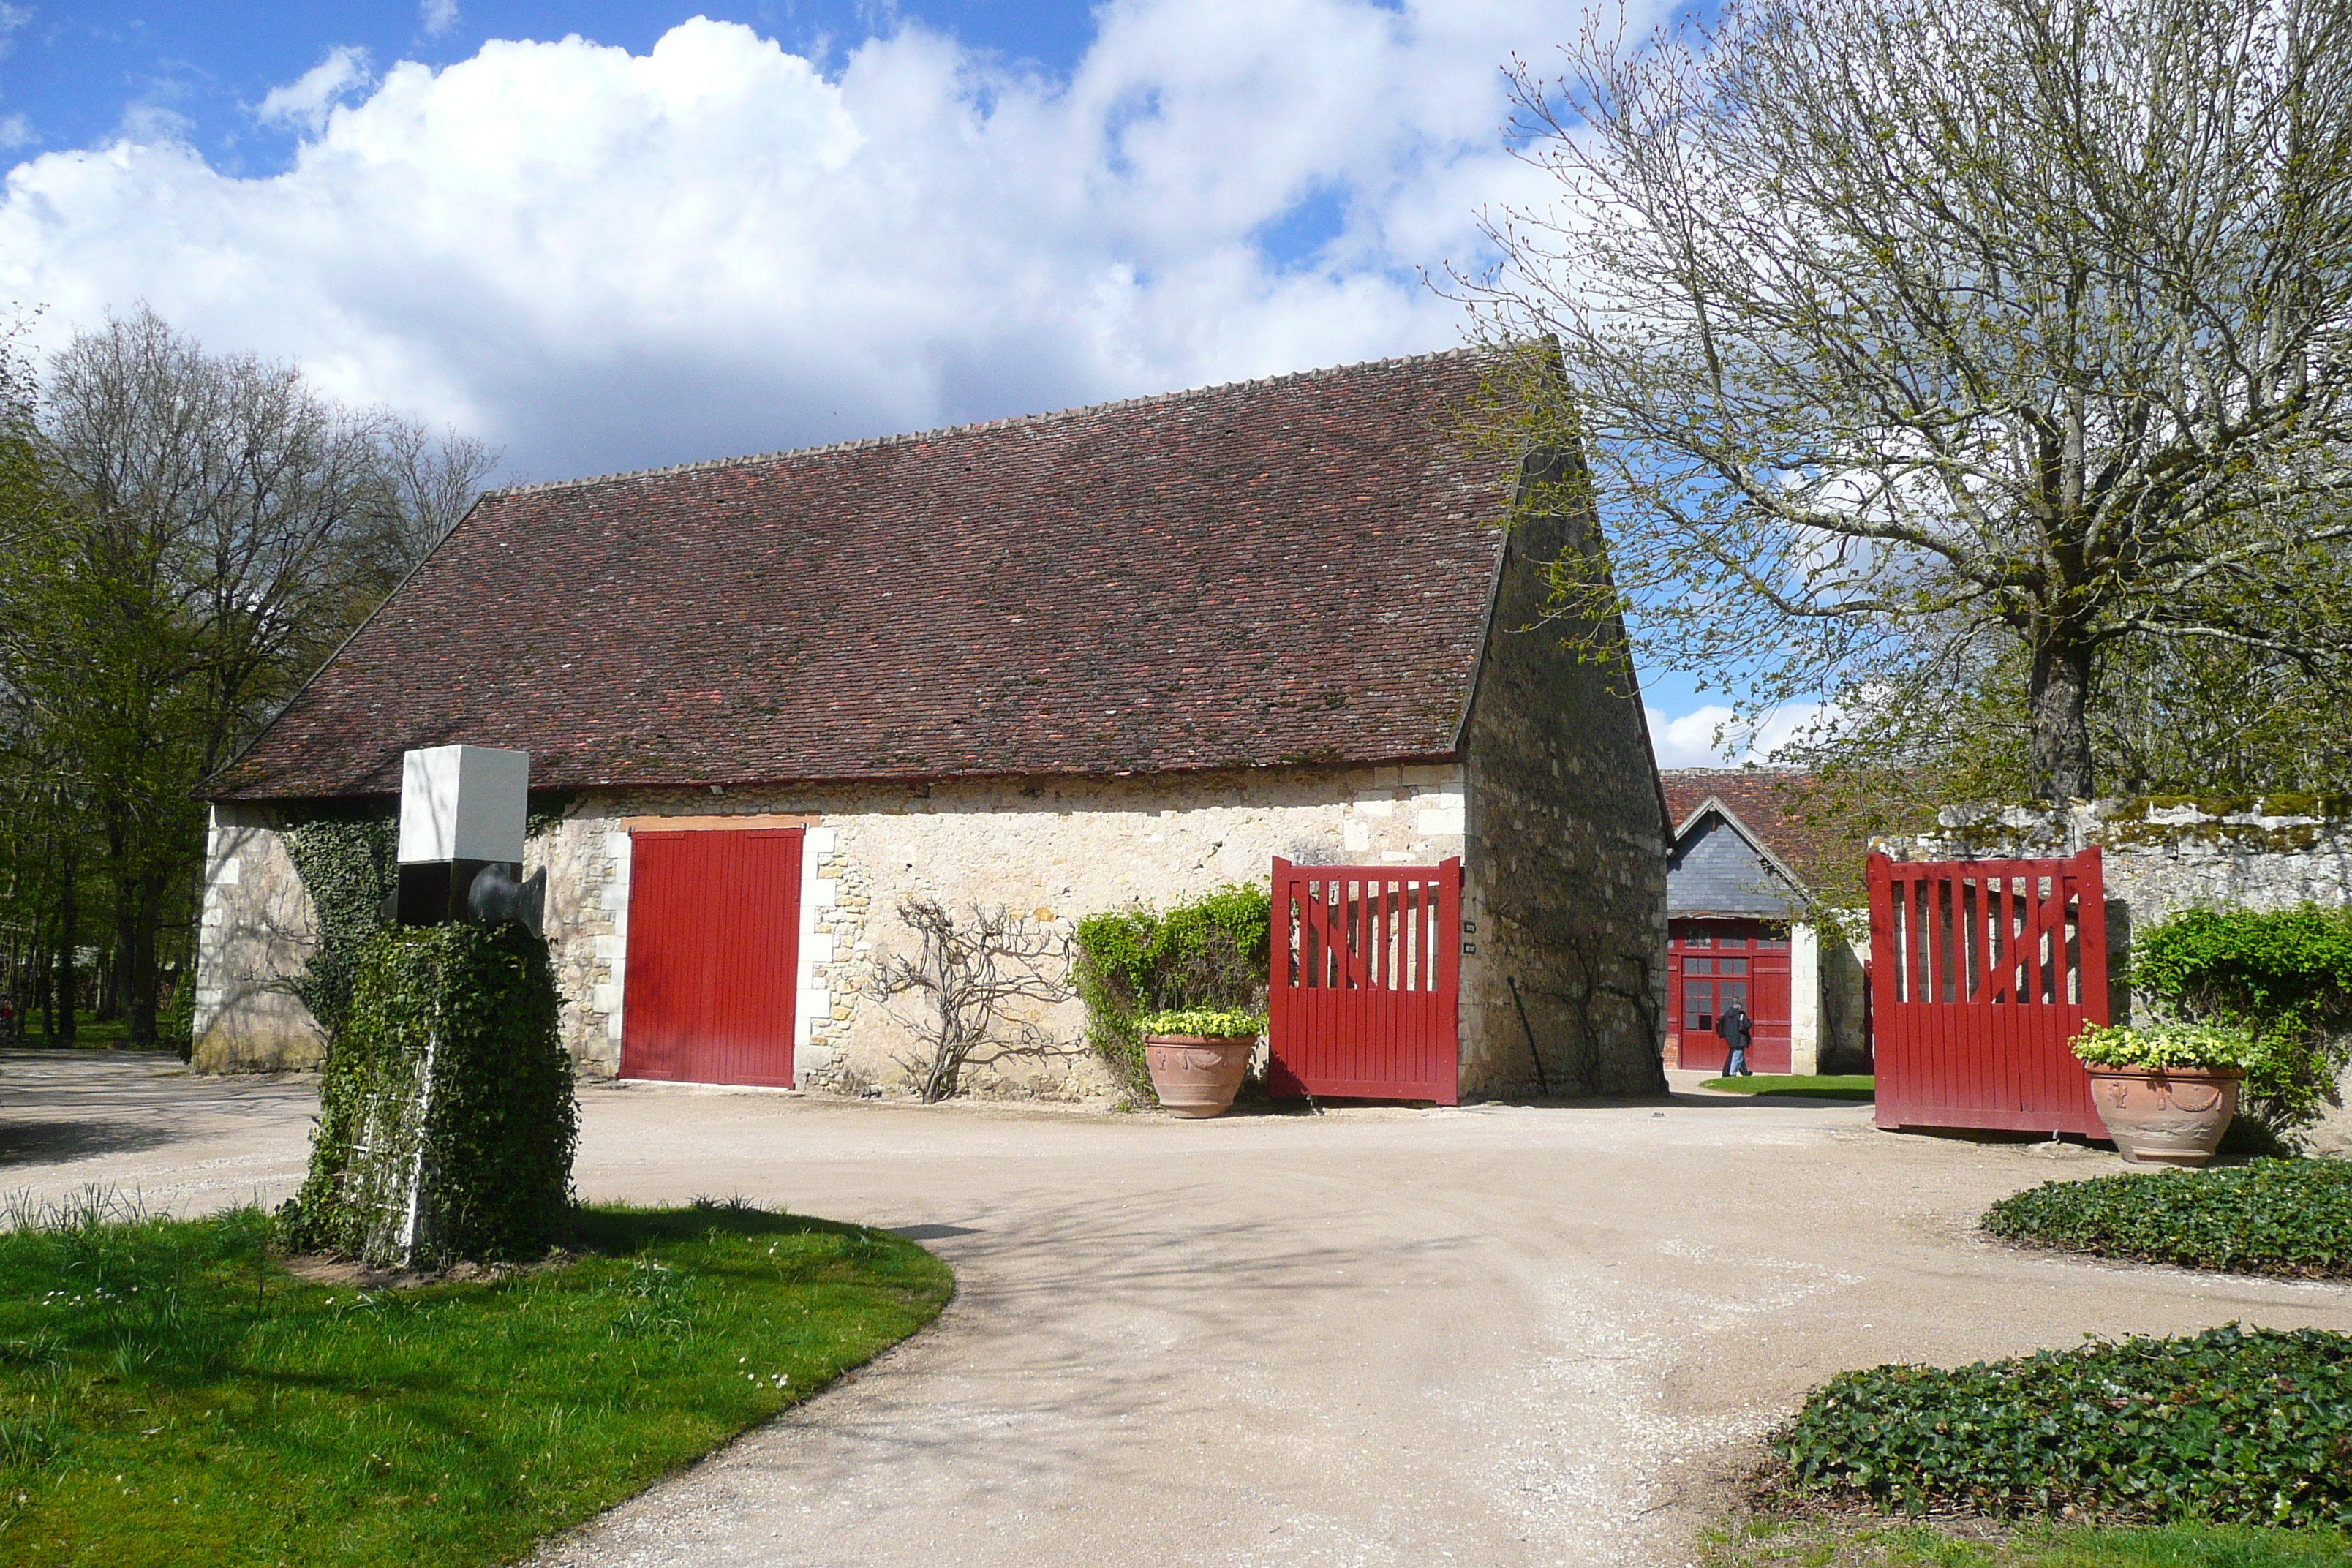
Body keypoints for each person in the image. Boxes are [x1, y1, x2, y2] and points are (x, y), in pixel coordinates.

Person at [1717, 1000, 1754, 1077]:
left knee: (1739, 1055)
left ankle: (1745, 1072)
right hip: (1740, 1038)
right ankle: (1731, 1073)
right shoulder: (1741, 1015)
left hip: (1730, 1038)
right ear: (1740, 1008)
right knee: (1737, 1056)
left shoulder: (1726, 1015)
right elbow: (1747, 1025)